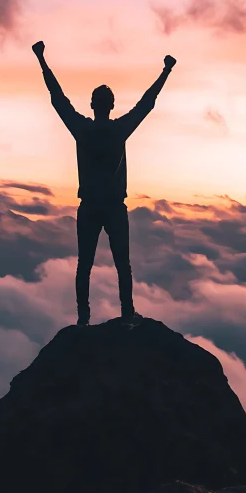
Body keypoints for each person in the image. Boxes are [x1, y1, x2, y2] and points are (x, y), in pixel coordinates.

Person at [32, 40, 176, 326]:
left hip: (88, 207)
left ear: (92, 105)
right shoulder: (120, 129)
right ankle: (126, 314)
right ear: (111, 106)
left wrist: (41, 59)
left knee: (83, 265)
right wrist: (166, 71)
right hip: (113, 207)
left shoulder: (81, 129)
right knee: (123, 264)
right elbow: (147, 102)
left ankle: (83, 319)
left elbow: (57, 96)